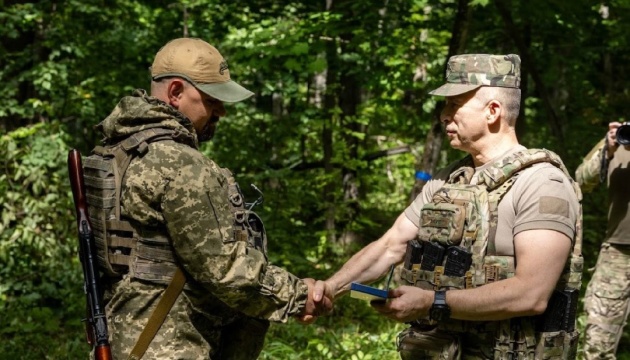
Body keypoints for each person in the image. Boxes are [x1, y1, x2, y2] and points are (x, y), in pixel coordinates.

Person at [311, 54, 583, 359]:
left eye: (454, 105)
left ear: (493, 111)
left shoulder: (542, 183)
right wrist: (331, 288)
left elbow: (532, 294)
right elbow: (391, 245)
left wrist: (432, 301)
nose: (444, 115)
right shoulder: (450, 179)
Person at [81, 37, 330, 359]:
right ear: (175, 93)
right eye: (212, 100)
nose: (221, 111)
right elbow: (224, 268)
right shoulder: (181, 164)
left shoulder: (115, 152)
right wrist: (300, 295)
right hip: (173, 341)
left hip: (124, 331)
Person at [576, 121, 630, 360]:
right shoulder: (621, 137)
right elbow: (580, 181)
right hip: (617, 256)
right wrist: (606, 151)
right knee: (597, 346)